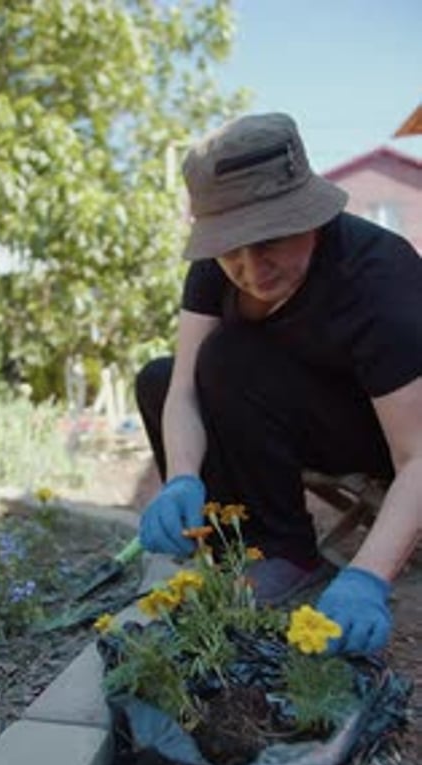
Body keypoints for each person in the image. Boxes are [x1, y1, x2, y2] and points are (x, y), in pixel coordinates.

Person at [135, 112, 422, 655]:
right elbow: (183, 392)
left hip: (381, 428)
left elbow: (417, 454)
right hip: (287, 411)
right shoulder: (219, 267)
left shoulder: (378, 277)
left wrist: (368, 577)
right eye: (231, 247)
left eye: (270, 240)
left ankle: (286, 550)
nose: (251, 268)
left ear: (309, 214)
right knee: (160, 377)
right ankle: (236, 550)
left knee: (230, 357)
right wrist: (181, 478)